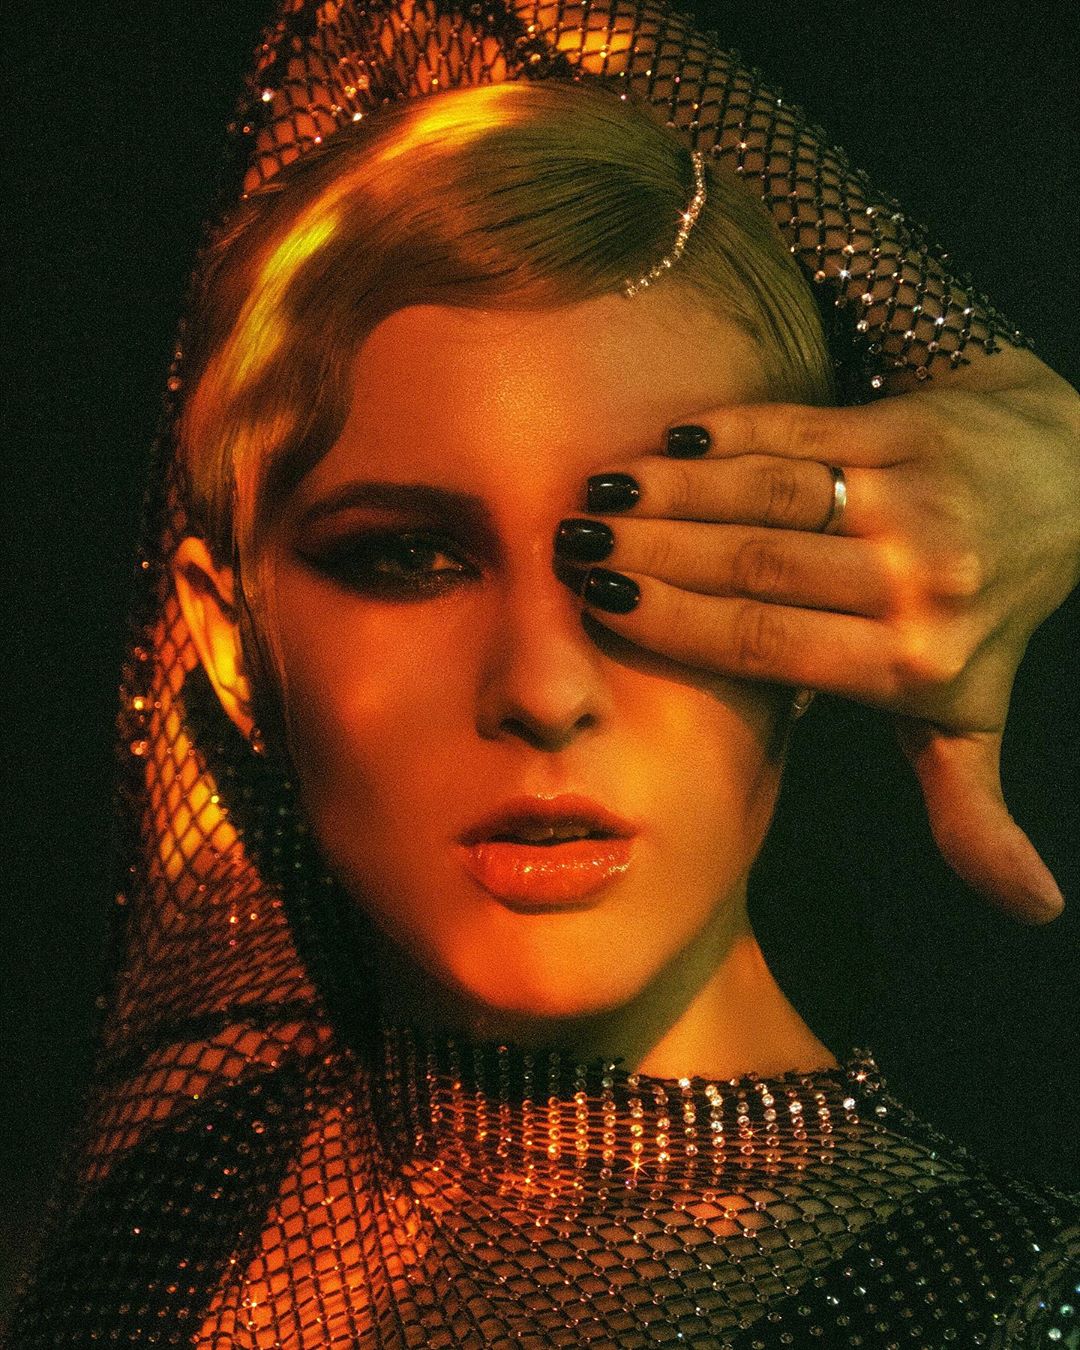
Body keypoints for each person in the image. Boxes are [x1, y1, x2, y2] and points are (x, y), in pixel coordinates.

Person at [7, 3, 1078, 1346]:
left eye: (651, 548)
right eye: (407, 557)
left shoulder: (1006, 1303)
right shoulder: (193, 1160)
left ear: (821, 581)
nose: (542, 688)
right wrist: (1006, 388)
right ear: (228, 643)